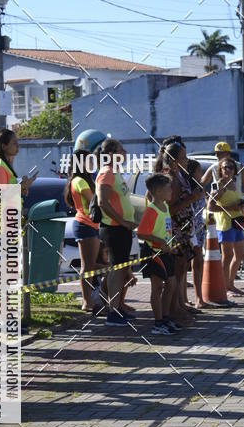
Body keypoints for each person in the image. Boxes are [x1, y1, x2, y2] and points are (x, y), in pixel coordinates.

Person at [157, 137, 203, 323]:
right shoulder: (170, 178)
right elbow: (170, 209)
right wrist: (192, 199)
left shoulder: (180, 175)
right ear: (174, 160)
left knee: (181, 269)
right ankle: (172, 309)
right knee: (175, 272)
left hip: (185, 231)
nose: (186, 160)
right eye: (183, 157)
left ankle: (179, 304)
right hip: (175, 232)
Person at [96, 138, 136, 327]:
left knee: (120, 270)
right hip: (113, 228)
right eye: (122, 149)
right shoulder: (106, 173)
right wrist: (122, 221)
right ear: (111, 154)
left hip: (122, 228)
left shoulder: (116, 173)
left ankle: (117, 307)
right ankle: (113, 312)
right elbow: (102, 202)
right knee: (117, 270)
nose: (125, 153)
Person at [137, 173, 178, 336]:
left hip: (166, 252)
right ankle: (158, 322)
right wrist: (160, 241)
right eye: (168, 188)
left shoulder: (165, 207)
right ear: (158, 191)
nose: (171, 191)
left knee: (171, 284)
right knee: (157, 287)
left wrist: (171, 244)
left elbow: (166, 229)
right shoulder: (151, 210)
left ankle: (166, 317)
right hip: (153, 253)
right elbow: (142, 233)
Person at [65, 151, 100, 312]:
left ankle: (93, 298)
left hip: (91, 225)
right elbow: (93, 200)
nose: (91, 163)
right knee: (88, 266)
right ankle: (87, 302)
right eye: (88, 160)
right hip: (85, 224)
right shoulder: (79, 180)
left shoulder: (86, 179)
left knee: (92, 265)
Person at [207, 157, 244, 296]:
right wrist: (232, 207)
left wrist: (243, 204)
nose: (228, 170)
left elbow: (236, 200)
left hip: (238, 222)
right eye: (225, 167)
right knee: (228, 255)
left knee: (240, 254)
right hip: (225, 223)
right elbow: (211, 206)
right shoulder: (218, 185)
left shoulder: (234, 183)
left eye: (231, 167)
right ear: (220, 170)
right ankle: (224, 287)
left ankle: (230, 284)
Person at [201, 141, 244, 222]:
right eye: (216, 153)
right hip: (220, 214)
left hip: (237, 213)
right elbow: (200, 185)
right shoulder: (213, 168)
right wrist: (207, 200)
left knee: (239, 234)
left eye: (220, 153)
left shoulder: (239, 167)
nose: (216, 156)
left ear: (228, 154)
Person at [0, 129, 35, 195]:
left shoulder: (3, 164)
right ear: (4, 146)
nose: (18, 145)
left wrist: (21, 188)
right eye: (14, 143)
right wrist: (20, 187)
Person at [187, 158, 206, 308]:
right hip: (189, 229)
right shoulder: (188, 188)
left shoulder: (201, 188)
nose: (202, 173)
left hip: (199, 228)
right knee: (186, 264)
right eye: (199, 171)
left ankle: (199, 297)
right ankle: (187, 299)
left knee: (198, 262)